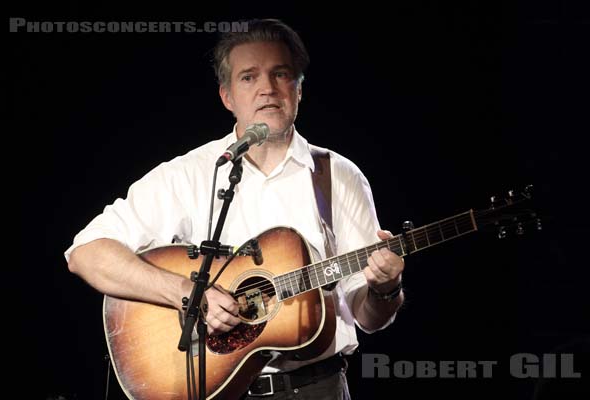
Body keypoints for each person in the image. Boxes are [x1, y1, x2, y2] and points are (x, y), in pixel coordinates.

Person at [65, 18, 405, 399]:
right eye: (249, 77)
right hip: (214, 387)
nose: (267, 89)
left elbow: (369, 318)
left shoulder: (337, 176)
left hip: (317, 387)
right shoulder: (192, 173)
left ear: (299, 88)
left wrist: (385, 290)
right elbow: (86, 253)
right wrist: (185, 291)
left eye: (281, 74)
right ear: (227, 96)